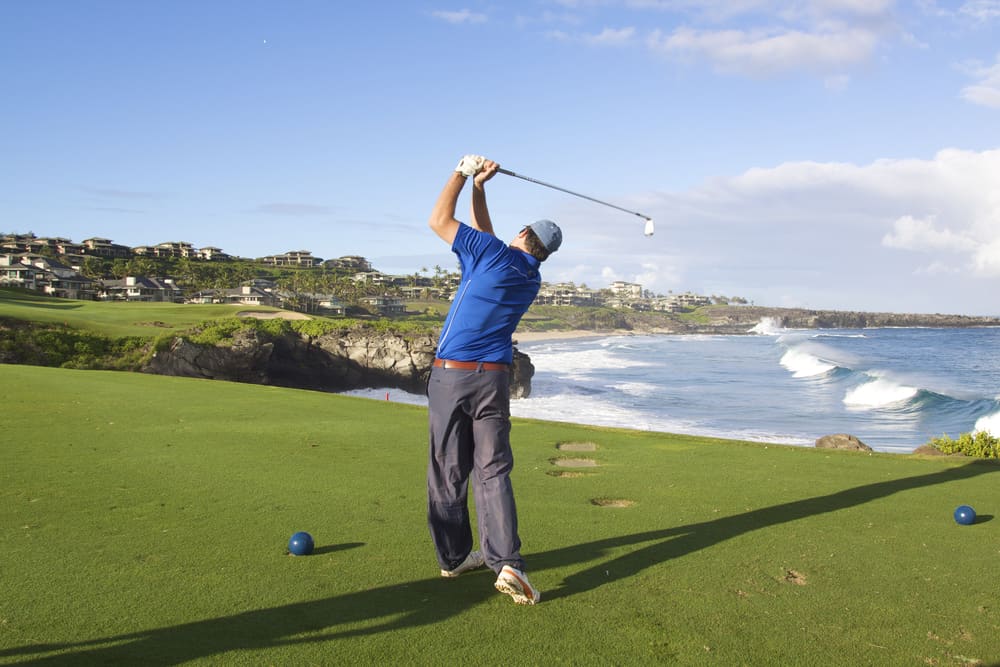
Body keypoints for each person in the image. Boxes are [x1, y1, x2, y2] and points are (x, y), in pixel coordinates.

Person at [426, 154, 562, 605]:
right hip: (495, 380)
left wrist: (461, 173)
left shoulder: (489, 255)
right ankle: (507, 563)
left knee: (448, 470)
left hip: (453, 377)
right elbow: (484, 235)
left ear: (523, 234)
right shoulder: (529, 275)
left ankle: (453, 557)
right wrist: (482, 189)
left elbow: (438, 219)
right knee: (494, 470)